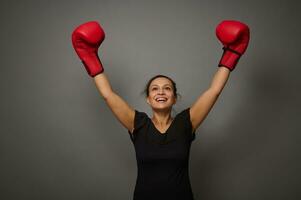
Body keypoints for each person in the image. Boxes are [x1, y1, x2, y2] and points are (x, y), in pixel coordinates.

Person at [71, 20, 250, 200]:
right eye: (155, 89)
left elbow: (214, 91)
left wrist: (231, 54)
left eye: (167, 88)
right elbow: (108, 94)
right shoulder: (137, 124)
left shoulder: (186, 122)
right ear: (148, 99)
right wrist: (90, 57)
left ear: (174, 97)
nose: (161, 92)